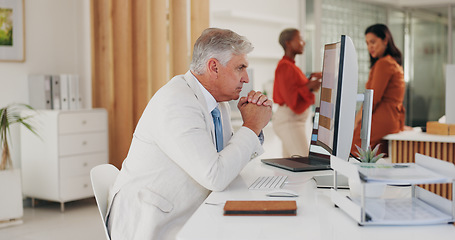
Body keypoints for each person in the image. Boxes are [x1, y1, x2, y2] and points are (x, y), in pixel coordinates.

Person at [106, 28, 273, 239]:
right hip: (152, 223)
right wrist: (251, 126)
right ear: (214, 67)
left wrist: (252, 126)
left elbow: (227, 161)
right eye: (240, 68)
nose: (246, 78)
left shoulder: (218, 104)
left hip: (186, 211)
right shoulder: (177, 102)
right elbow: (216, 176)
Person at [351, 23, 405, 156]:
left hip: (380, 118)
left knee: (353, 151)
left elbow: (372, 99)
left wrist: (357, 121)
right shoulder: (392, 63)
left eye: (373, 42)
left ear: (385, 40)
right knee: (375, 157)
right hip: (392, 119)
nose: (370, 47)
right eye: (367, 43)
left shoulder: (384, 64)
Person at [272, 28, 322, 158]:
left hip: (293, 120)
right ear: (288, 43)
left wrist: (309, 83)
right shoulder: (285, 66)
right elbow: (291, 98)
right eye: (299, 39)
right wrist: (309, 87)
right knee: (304, 162)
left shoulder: (291, 66)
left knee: (291, 165)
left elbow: (295, 89)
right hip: (289, 121)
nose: (303, 43)